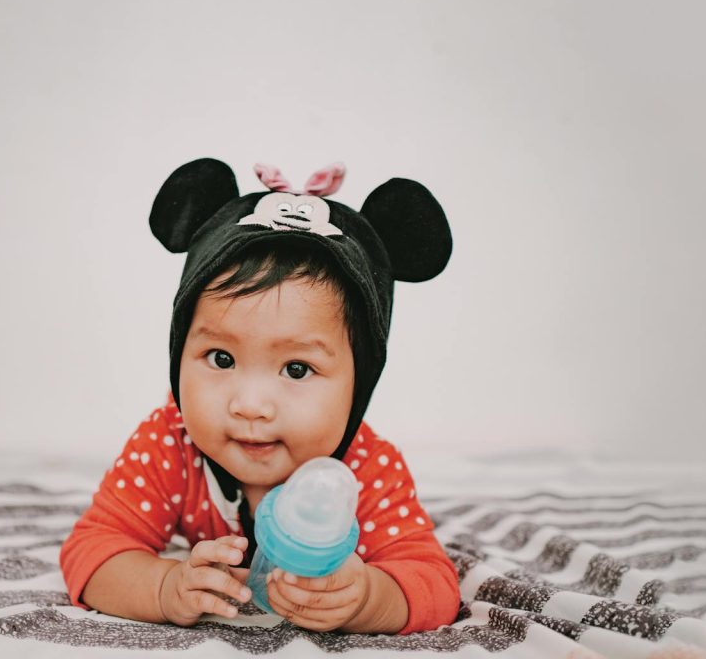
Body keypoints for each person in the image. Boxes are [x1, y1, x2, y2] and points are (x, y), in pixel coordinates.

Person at [59, 158, 460, 634]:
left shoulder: (362, 469)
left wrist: (371, 597)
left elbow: (433, 582)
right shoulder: (170, 441)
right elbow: (92, 550)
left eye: (296, 369)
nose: (250, 405)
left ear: (361, 383)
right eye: (221, 359)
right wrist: (163, 587)